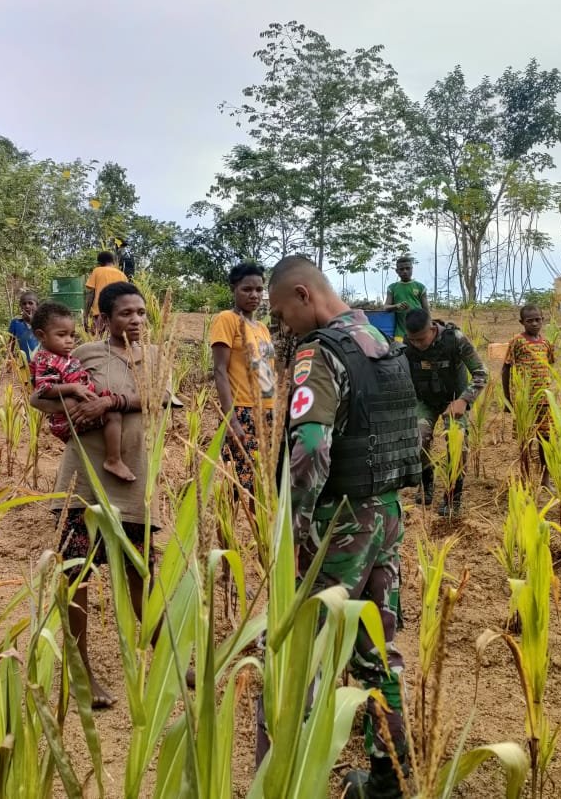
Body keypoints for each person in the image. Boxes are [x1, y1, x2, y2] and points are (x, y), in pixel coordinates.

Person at [262, 255, 421, 799]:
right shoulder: (382, 343)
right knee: (379, 653)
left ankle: (287, 779)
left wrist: (299, 528)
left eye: (283, 314)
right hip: (387, 514)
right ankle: (390, 780)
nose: (285, 328)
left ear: (304, 295)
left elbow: (309, 450)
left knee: (302, 649)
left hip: (340, 524)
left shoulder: (320, 352)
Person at [30, 281, 168, 709]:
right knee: (77, 577)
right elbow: (43, 398)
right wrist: (78, 407)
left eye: (141, 313)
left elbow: (160, 399)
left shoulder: (157, 357)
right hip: (84, 484)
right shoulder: (84, 353)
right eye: (126, 314)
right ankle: (82, 673)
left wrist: (110, 403)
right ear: (103, 320)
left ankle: (168, 658)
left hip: (133, 482)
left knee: (140, 573)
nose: (136, 321)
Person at [29, 300, 136, 483]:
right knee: (114, 415)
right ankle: (113, 460)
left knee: (111, 409)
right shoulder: (45, 361)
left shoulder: (65, 357)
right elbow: (44, 389)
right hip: (69, 416)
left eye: (72, 335)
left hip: (78, 408)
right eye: (62, 335)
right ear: (41, 336)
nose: (69, 341)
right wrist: (74, 388)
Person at [403, 307, 488, 515]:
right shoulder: (407, 345)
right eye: (413, 340)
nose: (418, 345)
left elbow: (481, 373)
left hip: (455, 401)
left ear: (432, 328)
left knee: (457, 441)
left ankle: (453, 495)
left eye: (421, 339)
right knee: (418, 439)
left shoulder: (455, 339)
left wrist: (464, 400)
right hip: (425, 402)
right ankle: (427, 481)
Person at [210, 262, 276, 512]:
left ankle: (261, 541)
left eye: (259, 290)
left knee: (263, 484)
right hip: (242, 412)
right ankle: (225, 541)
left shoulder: (261, 327)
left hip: (266, 412)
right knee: (238, 483)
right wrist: (231, 420)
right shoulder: (226, 320)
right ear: (234, 289)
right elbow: (219, 371)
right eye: (247, 289)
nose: (255, 295)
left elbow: (267, 373)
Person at [502, 304, 556, 487]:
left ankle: (545, 479)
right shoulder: (517, 341)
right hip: (524, 400)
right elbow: (506, 367)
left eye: (538, 319)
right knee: (525, 439)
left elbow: (549, 367)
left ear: (543, 319)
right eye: (529, 320)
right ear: (522, 322)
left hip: (544, 400)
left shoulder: (546, 343)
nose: (534, 323)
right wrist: (507, 398)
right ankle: (525, 478)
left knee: (546, 439)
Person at [84, 251, 130, 334]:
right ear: (113, 261)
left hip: (100, 313)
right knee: (115, 342)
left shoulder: (97, 271)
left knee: (98, 341)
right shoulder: (122, 275)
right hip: (117, 314)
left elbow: (91, 294)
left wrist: (85, 315)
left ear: (100, 262)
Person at [385, 256, 428, 341]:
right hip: (400, 333)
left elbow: (426, 310)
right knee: (400, 353)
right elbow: (385, 307)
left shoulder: (420, 287)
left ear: (412, 269)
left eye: (407, 268)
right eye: (401, 269)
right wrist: (396, 306)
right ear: (397, 271)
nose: (405, 271)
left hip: (419, 331)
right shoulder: (392, 288)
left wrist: (429, 326)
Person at [7, 291, 40, 363]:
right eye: (24, 304)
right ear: (21, 306)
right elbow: (11, 343)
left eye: (30, 303)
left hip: (41, 364)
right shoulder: (16, 322)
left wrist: (32, 322)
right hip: (24, 363)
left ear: (37, 306)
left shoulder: (42, 321)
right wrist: (10, 359)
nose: (27, 306)